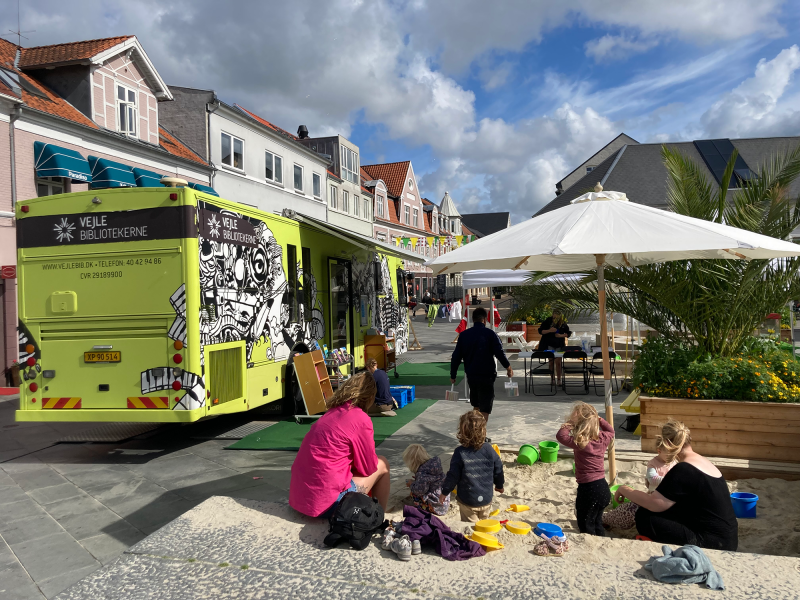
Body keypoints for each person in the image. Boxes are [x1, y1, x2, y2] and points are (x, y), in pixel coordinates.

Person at [614, 420, 738, 551]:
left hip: (712, 543)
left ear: (667, 443)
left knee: (644, 516)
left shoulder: (684, 469)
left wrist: (624, 489)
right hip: (729, 539)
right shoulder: (704, 462)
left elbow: (653, 504)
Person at [289, 372, 391, 517]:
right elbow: (368, 468)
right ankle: (378, 517)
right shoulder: (361, 419)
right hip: (328, 504)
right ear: (369, 397)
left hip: (299, 499)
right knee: (382, 464)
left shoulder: (330, 413)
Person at [556, 402, 615, 536]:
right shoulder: (603, 438)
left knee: (585, 521)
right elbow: (611, 431)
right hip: (603, 487)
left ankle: (588, 540)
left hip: (588, 488)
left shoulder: (580, 442)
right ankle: (601, 537)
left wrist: (570, 423)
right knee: (597, 520)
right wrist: (600, 420)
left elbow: (561, 436)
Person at [450, 306, 512, 424]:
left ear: (473, 320)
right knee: (485, 407)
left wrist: (453, 374)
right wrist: (508, 367)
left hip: (472, 376)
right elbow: (499, 353)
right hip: (486, 376)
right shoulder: (490, 334)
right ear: (484, 320)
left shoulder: (464, 335)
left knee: (476, 404)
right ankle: (480, 436)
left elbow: (456, 357)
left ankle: (474, 433)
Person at [439, 410, 504, 522]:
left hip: (467, 500)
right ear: (483, 431)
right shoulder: (489, 449)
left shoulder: (460, 452)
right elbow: (498, 468)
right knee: (484, 524)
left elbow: (453, 476)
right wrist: (499, 485)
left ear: (462, 432)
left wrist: (445, 492)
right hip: (486, 498)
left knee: (470, 526)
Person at [603, 442, 677, 530]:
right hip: (654, 497)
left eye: (674, 453)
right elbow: (652, 479)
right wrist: (670, 479)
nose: (672, 456)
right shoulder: (653, 464)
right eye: (669, 453)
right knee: (627, 510)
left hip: (666, 502)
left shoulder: (674, 462)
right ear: (659, 451)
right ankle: (604, 519)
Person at [403, 443, 449, 516]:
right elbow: (432, 479)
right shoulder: (434, 466)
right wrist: (419, 479)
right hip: (444, 501)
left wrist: (411, 484)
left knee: (414, 494)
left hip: (436, 507)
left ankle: (421, 508)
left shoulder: (422, 474)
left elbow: (419, 491)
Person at [538, 309, 571, 382]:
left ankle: (559, 379)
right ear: (552, 315)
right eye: (554, 318)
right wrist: (549, 330)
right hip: (549, 344)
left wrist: (561, 335)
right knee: (551, 362)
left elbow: (568, 333)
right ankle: (552, 379)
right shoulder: (548, 322)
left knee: (558, 363)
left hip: (559, 344)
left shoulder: (562, 323)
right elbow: (541, 331)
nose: (555, 319)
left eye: (557, 318)